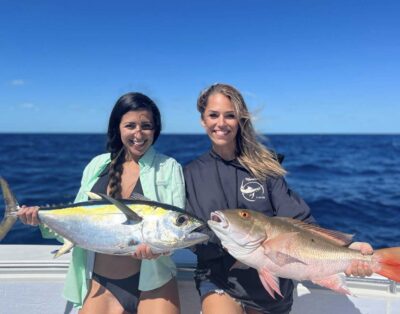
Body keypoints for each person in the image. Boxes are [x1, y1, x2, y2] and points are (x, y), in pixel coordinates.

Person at [184, 83, 373, 314]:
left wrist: (348, 248)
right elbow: (188, 230)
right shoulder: (190, 173)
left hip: (272, 275)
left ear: (240, 120)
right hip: (218, 277)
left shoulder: (264, 168)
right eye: (213, 115)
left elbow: (298, 220)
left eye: (230, 115)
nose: (221, 123)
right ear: (203, 120)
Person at [18, 92, 185, 314]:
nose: (138, 133)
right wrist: (39, 220)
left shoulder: (169, 167)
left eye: (146, 126)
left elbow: (174, 228)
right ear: (118, 127)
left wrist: (160, 250)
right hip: (101, 285)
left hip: (155, 283)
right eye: (130, 125)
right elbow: (76, 223)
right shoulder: (97, 165)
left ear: (156, 129)